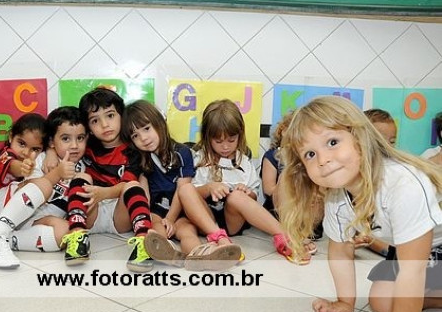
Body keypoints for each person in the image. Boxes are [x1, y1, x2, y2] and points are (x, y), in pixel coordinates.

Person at [278, 95, 442, 312]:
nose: (323, 160)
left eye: (332, 142)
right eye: (310, 154)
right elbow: (340, 251)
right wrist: (345, 301)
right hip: (419, 251)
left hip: (429, 249)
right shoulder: (337, 196)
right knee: (382, 302)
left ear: (360, 138)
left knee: (405, 290)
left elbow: (412, 269)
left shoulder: (403, 183)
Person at [121, 100, 242, 271]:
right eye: (135, 136)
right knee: (154, 226)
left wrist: (170, 219)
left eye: (147, 129)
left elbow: (182, 188)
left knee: (186, 231)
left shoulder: (181, 152)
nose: (143, 138)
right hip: (158, 211)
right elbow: (144, 194)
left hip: (182, 209)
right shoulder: (141, 158)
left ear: (160, 123)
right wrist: (151, 219)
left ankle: (200, 254)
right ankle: (166, 251)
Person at [189, 99, 311, 264]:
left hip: (232, 222)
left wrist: (247, 193)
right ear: (207, 137)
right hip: (206, 220)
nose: (225, 147)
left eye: (231, 140)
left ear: (240, 135)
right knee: (186, 189)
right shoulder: (199, 159)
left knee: (237, 197)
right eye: (218, 141)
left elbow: (253, 195)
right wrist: (209, 188)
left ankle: (284, 236)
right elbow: (189, 197)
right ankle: (220, 239)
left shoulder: (244, 162)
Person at [0, 107, 86, 269]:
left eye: (80, 138)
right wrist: (57, 171)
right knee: (44, 185)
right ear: (51, 142)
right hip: (11, 208)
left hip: (35, 219)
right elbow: (30, 187)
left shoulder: (83, 167)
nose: (74, 145)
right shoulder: (40, 159)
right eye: (66, 139)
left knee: (65, 232)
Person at [60, 87, 161, 273]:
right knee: (82, 177)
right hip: (92, 212)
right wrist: (50, 154)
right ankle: (77, 236)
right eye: (95, 120)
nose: (104, 124)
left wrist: (104, 193)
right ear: (89, 128)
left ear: (122, 116)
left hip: (120, 215)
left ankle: (143, 242)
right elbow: (60, 143)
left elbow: (126, 186)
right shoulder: (87, 145)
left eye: (110, 115)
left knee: (133, 185)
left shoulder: (133, 150)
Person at [261, 112, 323, 243]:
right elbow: (268, 189)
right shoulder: (272, 156)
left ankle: (308, 229)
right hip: (278, 209)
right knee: (286, 178)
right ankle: (290, 232)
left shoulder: (309, 156)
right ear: (283, 131)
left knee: (317, 188)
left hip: (305, 208)